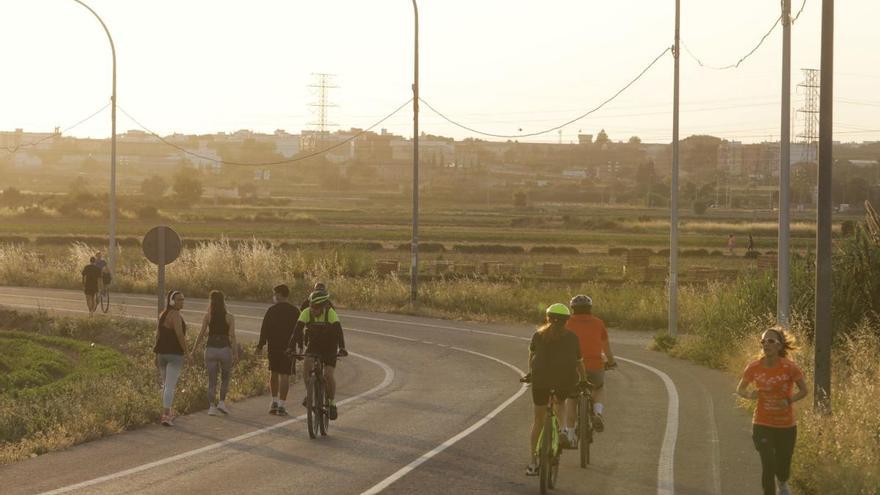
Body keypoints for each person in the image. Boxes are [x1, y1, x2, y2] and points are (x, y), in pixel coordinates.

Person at [736, 326, 808, 495]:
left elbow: (804, 391)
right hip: (762, 423)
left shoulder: (790, 368)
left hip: (786, 425)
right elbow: (740, 389)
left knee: (783, 467)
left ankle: (782, 482)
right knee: (768, 466)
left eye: (771, 341)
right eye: (763, 341)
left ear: (780, 346)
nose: (766, 344)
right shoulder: (753, 367)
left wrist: (789, 400)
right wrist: (749, 394)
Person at [525, 303, 585, 476]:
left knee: (538, 420)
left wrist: (530, 374)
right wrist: (584, 380)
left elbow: (532, 357)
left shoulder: (537, 335)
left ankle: (533, 463)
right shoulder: (573, 338)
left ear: (547, 317)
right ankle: (564, 429)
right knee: (561, 402)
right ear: (567, 321)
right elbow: (579, 362)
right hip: (564, 381)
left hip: (540, 381)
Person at [562, 295, 617, 446]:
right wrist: (611, 362)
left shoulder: (566, 323)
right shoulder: (599, 323)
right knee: (598, 388)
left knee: (572, 398)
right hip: (595, 365)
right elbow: (606, 348)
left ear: (573, 309)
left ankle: (571, 436)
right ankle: (598, 413)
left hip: (573, 367)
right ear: (590, 308)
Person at [287, 289, 348, 420]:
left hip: (330, 346)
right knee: (306, 366)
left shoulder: (330, 313)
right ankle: (310, 393)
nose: (313, 310)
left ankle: (331, 403)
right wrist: (290, 347)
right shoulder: (306, 312)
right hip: (314, 344)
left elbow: (339, 332)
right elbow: (296, 331)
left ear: (324, 306)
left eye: (317, 307)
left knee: (328, 374)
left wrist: (342, 348)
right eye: (312, 306)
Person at [256, 284, 299, 416]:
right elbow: (299, 330)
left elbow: (265, 329)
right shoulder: (295, 311)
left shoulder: (271, 310)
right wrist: (301, 345)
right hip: (289, 348)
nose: (274, 297)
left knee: (273, 373)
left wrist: (260, 345)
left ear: (280, 295)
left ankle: (274, 402)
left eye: (275, 294)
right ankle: (281, 405)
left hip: (273, 347)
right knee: (285, 375)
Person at [193, 290, 237, 416]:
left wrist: (194, 349)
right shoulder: (229, 317)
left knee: (212, 380)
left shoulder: (208, 316)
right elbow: (232, 336)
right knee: (225, 377)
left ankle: (211, 406)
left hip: (211, 348)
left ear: (211, 301)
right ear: (223, 301)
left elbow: (201, 334)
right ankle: (222, 402)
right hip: (224, 349)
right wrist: (235, 353)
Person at [153, 290, 191, 426]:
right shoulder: (175, 315)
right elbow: (180, 335)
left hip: (161, 353)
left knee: (165, 385)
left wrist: (155, 354)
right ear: (172, 301)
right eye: (179, 300)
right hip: (174, 354)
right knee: (169, 386)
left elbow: (157, 335)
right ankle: (166, 415)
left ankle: (167, 411)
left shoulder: (163, 314)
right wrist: (188, 353)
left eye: (183, 299)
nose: (182, 302)